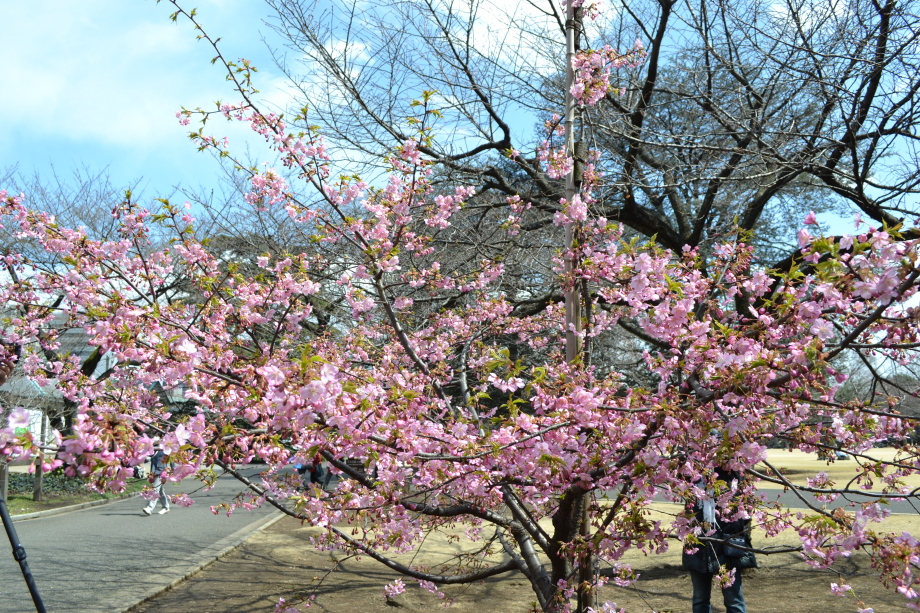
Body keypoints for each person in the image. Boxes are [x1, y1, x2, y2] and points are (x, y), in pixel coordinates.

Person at [682, 467, 757, 613]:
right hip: (699, 545)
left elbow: (744, 512)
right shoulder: (693, 475)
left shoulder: (732, 474)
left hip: (727, 546)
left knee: (733, 599)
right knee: (700, 598)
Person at [142, 441, 170, 515]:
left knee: (155, 490)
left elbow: (167, 462)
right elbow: (147, 459)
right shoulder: (153, 450)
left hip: (161, 473)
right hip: (155, 473)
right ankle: (166, 507)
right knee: (160, 491)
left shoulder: (163, 450)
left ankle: (149, 508)